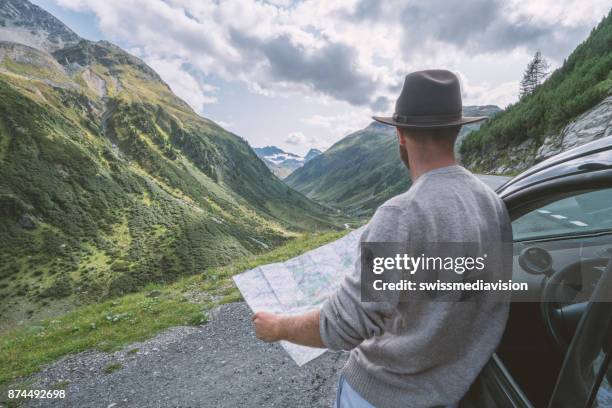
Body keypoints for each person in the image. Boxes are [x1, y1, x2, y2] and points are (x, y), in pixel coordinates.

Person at [252, 69, 512, 408]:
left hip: (382, 395)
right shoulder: (492, 203)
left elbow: (343, 327)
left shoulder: (402, 214)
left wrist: (279, 328)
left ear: (401, 134)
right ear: (457, 129)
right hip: (452, 390)